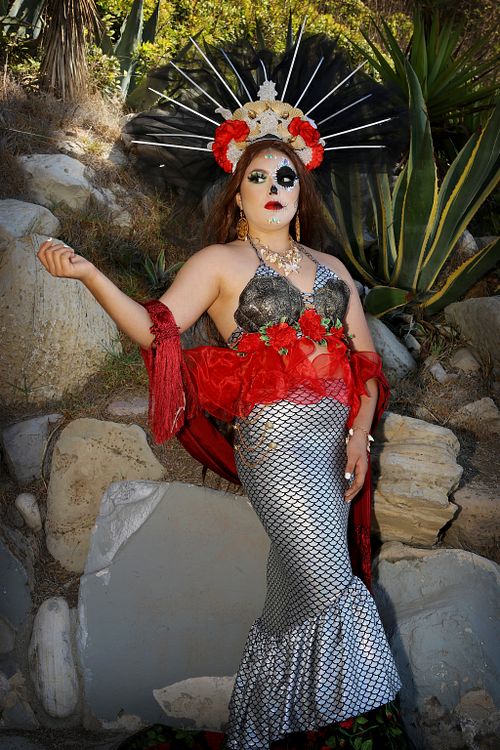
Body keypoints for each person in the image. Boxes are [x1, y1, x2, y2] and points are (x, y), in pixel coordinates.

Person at [37, 27, 406, 750]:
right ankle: (364, 736)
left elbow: (365, 363)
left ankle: (261, 733)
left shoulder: (333, 269)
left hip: (335, 447)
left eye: (285, 178)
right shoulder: (218, 263)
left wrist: (360, 436)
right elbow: (156, 331)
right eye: (258, 178)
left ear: (301, 192)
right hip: (275, 447)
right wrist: (89, 275)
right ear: (237, 193)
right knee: (331, 583)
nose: (273, 188)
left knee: (294, 594)